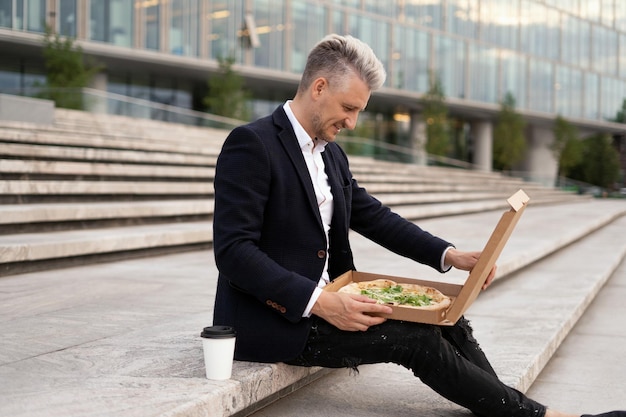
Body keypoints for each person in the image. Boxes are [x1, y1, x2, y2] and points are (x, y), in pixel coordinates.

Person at [212, 34, 624, 417]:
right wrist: (319, 302)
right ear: (318, 88)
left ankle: (514, 411)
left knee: (448, 319)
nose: (352, 122)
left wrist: (448, 255)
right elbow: (233, 252)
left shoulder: (330, 154)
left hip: (333, 299)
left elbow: (373, 216)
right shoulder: (252, 144)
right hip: (277, 320)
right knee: (416, 340)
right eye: (348, 108)